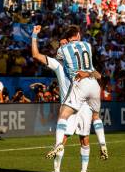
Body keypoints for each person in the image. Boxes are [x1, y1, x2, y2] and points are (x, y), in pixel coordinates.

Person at [31, 26, 103, 172]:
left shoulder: (81, 65)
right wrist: (34, 35)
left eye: (65, 43)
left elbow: (98, 75)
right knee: (61, 141)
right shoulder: (58, 64)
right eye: (62, 44)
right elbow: (35, 55)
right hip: (69, 106)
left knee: (85, 139)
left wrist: (89, 73)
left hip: (83, 105)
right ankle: (56, 171)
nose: (64, 46)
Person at [46, 25, 108, 163]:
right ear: (78, 35)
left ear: (67, 38)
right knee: (96, 116)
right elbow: (96, 73)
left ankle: (58, 145)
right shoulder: (87, 45)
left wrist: (60, 44)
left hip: (80, 84)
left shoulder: (63, 49)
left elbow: (59, 55)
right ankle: (103, 144)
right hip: (94, 84)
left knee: (63, 114)